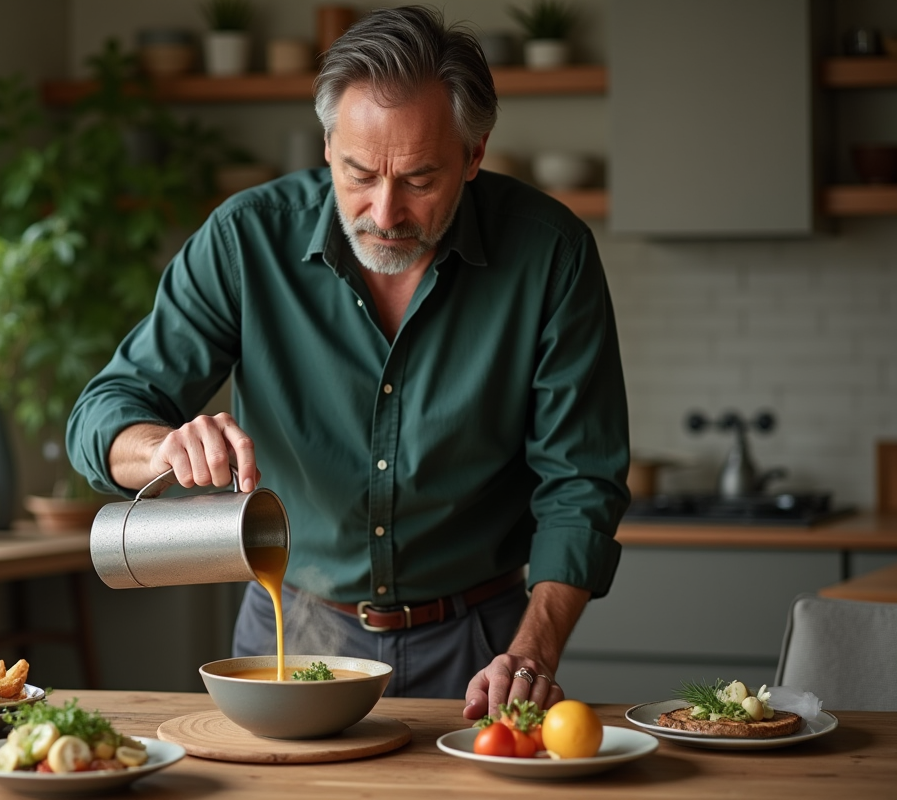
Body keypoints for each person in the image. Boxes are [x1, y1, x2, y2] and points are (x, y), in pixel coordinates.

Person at [67, 5, 629, 719]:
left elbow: (581, 482)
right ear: (328, 144)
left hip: (480, 646)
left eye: (420, 180)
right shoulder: (246, 241)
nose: (385, 212)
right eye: (359, 174)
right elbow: (104, 413)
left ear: (475, 154)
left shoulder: (551, 255)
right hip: (289, 631)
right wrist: (163, 446)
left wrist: (535, 649)